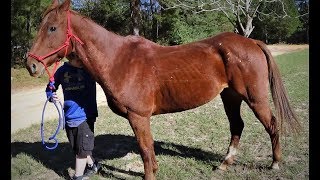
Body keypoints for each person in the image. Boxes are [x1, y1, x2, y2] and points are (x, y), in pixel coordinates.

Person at [45, 53, 100, 180]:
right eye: (78, 59)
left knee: (81, 151)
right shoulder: (62, 71)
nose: (81, 61)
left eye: (83, 58)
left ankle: (78, 176)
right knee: (78, 147)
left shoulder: (89, 70)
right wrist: (51, 96)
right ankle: (93, 165)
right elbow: (50, 88)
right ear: (70, 58)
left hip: (86, 116)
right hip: (69, 117)